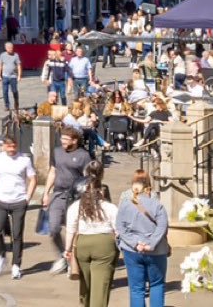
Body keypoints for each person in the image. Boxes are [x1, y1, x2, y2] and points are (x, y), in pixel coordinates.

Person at [64, 164, 118, 307]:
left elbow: (70, 229)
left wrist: (67, 250)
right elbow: (118, 230)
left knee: (85, 284)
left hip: (82, 244)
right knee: (100, 289)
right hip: (104, 245)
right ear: (101, 190)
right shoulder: (110, 207)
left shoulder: (76, 206)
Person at [44, 127, 92, 274]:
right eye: (62, 138)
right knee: (53, 228)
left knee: (74, 229)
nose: (62, 141)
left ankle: (73, 260)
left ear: (75, 140)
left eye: (66, 139)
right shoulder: (57, 152)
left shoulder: (84, 156)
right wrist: (46, 193)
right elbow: (53, 171)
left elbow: (88, 178)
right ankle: (62, 256)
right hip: (58, 195)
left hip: (76, 197)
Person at [0, 137, 36, 280]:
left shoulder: (24, 160)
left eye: (14, 146)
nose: (12, 149)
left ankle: (16, 265)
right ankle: (1, 256)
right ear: (3, 146)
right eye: (9, 147)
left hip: (18, 201)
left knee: (17, 235)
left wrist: (27, 198)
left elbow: (33, 178)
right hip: (0, 200)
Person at [118, 177, 171, 307]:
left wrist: (135, 243)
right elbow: (162, 227)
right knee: (157, 285)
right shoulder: (157, 206)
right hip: (156, 251)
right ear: (148, 189)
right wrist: (151, 244)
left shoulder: (125, 205)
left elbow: (120, 227)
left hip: (132, 251)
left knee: (136, 289)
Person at [0, 42, 22, 110]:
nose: (11, 49)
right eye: (9, 48)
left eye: (12, 48)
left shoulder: (15, 55)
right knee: (5, 92)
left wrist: (19, 76)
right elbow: (0, 65)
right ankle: (6, 105)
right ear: (6, 48)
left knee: (14, 91)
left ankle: (16, 102)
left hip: (13, 76)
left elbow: (19, 66)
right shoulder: (2, 55)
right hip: (5, 76)